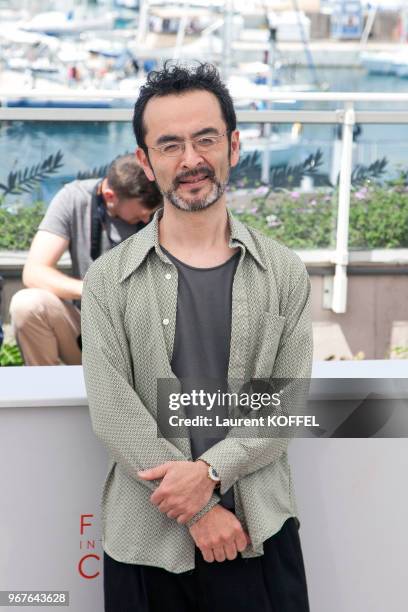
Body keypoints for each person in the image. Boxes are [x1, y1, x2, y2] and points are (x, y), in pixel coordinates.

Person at [81, 62, 313, 612]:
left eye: (205, 139)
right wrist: (203, 510)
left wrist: (209, 473)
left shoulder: (285, 273)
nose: (190, 160)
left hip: (259, 534)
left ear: (233, 145)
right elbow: (114, 412)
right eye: (169, 145)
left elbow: (284, 404)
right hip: (146, 543)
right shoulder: (108, 281)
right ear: (146, 160)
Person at [9, 154, 162, 366]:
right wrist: (95, 289)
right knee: (27, 304)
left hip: (148, 338)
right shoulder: (74, 198)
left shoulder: (163, 209)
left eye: (150, 214)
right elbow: (34, 272)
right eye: (140, 216)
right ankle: (47, 394)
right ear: (110, 196)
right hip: (88, 331)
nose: (148, 219)